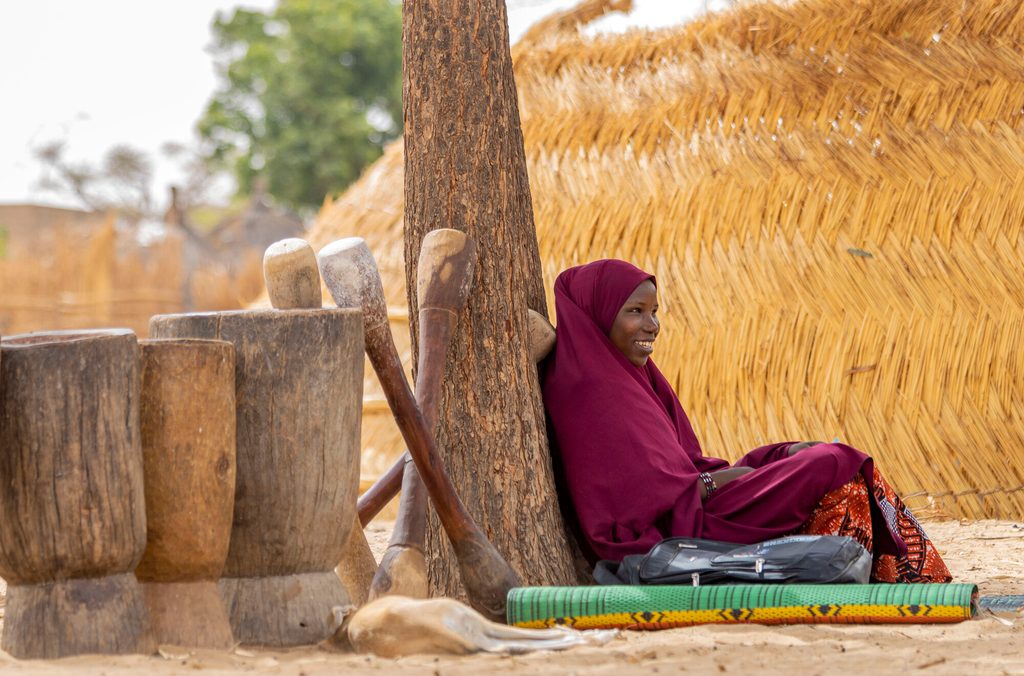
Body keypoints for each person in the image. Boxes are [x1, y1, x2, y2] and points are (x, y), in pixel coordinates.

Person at [542, 259, 951, 583]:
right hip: (679, 535)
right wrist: (732, 479)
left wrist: (772, 458)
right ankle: (908, 574)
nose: (652, 326)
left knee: (834, 476)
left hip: (698, 508)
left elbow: (688, 464)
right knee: (832, 462)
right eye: (636, 311)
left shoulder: (635, 377)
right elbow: (638, 502)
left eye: (654, 312)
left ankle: (877, 574)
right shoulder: (588, 392)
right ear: (598, 315)